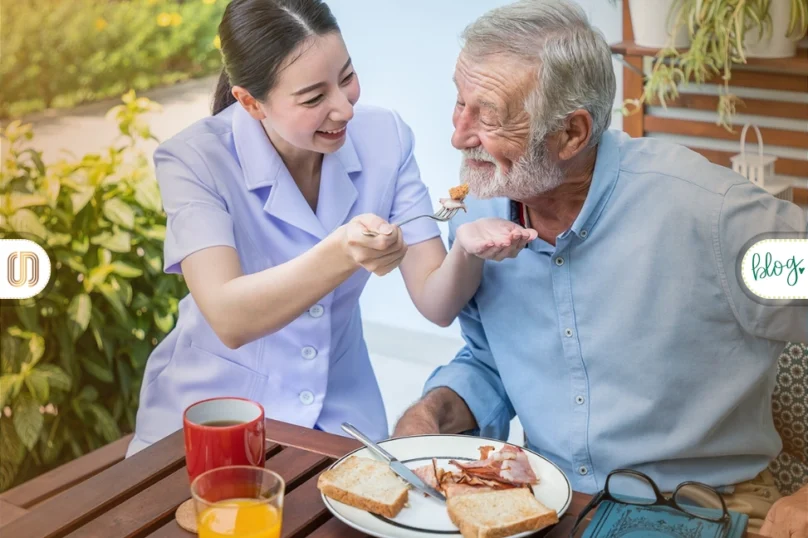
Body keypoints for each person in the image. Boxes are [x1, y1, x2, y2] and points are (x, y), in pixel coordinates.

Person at [391, 1, 808, 535]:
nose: (458, 134)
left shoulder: (714, 216)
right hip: (550, 502)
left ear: (571, 134)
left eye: (488, 115)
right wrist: (428, 417)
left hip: (711, 511)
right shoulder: (479, 212)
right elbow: (492, 361)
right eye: (459, 102)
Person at [126, 0, 537, 457]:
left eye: (346, 78)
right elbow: (230, 317)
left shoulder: (387, 138)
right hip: (215, 413)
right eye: (314, 98)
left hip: (340, 417)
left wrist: (465, 248)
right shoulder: (194, 159)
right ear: (250, 102)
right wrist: (341, 252)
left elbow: (436, 301)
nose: (344, 109)